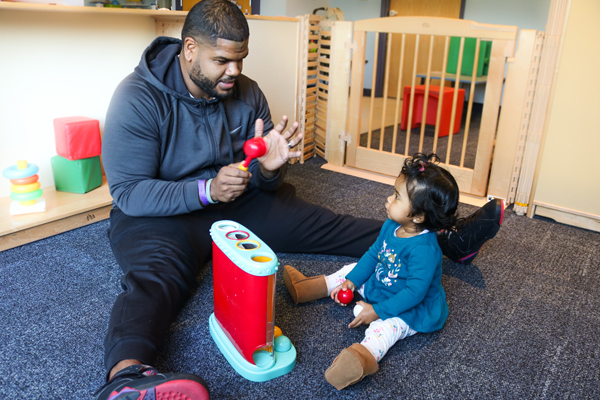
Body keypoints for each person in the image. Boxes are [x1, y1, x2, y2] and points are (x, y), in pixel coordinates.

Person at [95, 1, 503, 398]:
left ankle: (446, 240)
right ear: (190, 49)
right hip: (161, 214)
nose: (234, 72)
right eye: (223, 61)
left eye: (241, 59)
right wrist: (204, 190)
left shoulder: (247, 92)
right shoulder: (137, 99)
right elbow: (129, 192)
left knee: (341, 229)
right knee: (156, 279)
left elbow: (266, 183)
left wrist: (271, 170)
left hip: (237, 202)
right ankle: (128, 377)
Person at [283, 153, 460, 390]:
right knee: (350, 269)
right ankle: (311, 287)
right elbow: (374, 253)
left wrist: (377, 311)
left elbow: (414, 293)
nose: (388, 199)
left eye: (397, 197)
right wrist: (352, 281)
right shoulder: (392, 224)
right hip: (385, 281)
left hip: (411, 306)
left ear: (418, 216)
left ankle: (360, 358)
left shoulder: (424, 250)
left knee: (384, 328)